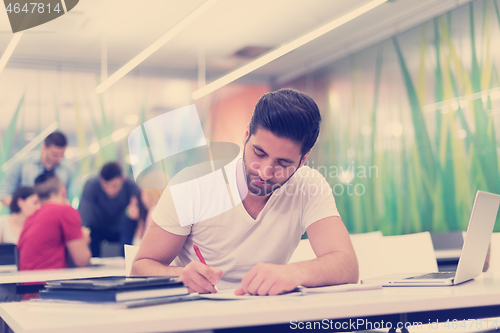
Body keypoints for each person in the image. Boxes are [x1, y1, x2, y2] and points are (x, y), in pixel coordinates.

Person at [132, 88, 359, 295]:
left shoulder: (309, 185)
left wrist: (295, 273)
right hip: (199, 319)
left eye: (283, 163)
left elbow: (346, 265)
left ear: (303, 159)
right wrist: (179, 276)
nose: (265, 172)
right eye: (259, 153)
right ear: (247, 134)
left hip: (266, 317)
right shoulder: (193, 184)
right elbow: (140, 267)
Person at [17, 173, 91, 270]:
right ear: (63, 191)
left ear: (38, 197)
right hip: (48, 283)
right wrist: (83, 241)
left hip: (26, 283)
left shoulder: (31, 218)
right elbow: (82, 261)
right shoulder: (65, 211)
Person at [78, 162, 147, 257]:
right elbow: (84, 211)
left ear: (123, 179)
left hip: (120, 227)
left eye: (115, 186)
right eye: (106, 186)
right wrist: (83, 231)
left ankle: (126, 259)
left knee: (128, 223)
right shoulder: (92, 185)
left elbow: (142, 209)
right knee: (89, 230)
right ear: (100, 179)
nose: (110, 191)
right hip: (98, 227)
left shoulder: (130, 186)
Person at [0, 131, 71, 208]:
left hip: (53, 217)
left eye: (62, 155)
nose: (59, 159)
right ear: (44, 147)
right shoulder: (22, 163)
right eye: (55, 155)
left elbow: (66, 199)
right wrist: (22, 210)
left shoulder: (66, 170)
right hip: (25, 218)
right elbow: (4, 194)